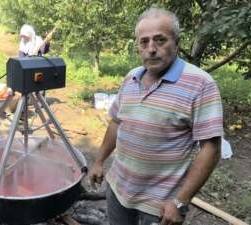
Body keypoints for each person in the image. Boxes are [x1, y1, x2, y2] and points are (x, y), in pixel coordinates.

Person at [89, 7, 223, 225]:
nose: (151, 49)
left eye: (160, 40)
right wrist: (99, 161)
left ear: (177, 43)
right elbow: (116, 122)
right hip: (118, 188)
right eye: (144, 42)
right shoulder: (131, 77)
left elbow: (211, 148)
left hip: (160, 205)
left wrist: (181, 202)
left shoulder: (201, 84)